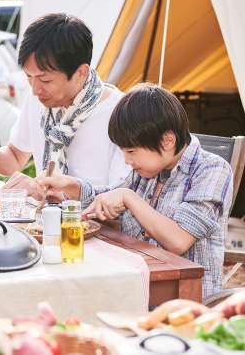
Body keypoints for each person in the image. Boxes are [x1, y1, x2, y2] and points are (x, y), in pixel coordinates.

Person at [37, 84, 233, 299]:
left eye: (131, 151)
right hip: (139, 280)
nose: (127, 160)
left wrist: (129, 198)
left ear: (167, 141)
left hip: (185, 296)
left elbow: (179, 241)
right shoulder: (151, 169)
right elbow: (111, 194)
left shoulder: (212, 169)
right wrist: (68, 187)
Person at [0, 13, 129, 201]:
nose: (36, 89)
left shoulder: (121, 113)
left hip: (93, 227)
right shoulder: (39, 98)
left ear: (81, 72)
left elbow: (121, 200)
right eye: (29, 77)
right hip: (44, 223)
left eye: (45, 79)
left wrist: (46, 193)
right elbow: (14, 157)